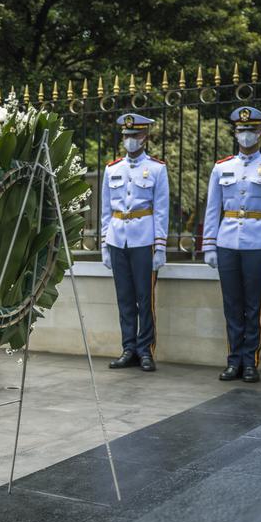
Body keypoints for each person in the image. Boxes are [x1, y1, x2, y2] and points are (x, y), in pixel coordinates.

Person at [203, 106, 261, 383]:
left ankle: (250, 361)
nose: (246, 135)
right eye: (241, 130)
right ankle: (233, 360)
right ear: (235, 132)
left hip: (259, 242)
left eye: (251, 130)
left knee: (254, 306)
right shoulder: (222, 167)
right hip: (227, 242)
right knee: (231, 305)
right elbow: (212, 209)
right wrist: (210, 245)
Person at [100, 113, 170, 373]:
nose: (130, 140)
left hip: (144, 239)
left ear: (145, 137)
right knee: (125, 299)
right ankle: (128, 348)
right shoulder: (112, 169)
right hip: (118, 238)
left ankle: (145, 351)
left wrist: (160, 246)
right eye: (127, 136)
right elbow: (106, 211)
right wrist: (105, 245)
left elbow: (161, 211)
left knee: (145, 298)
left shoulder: (156, 169)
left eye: (135, 135)